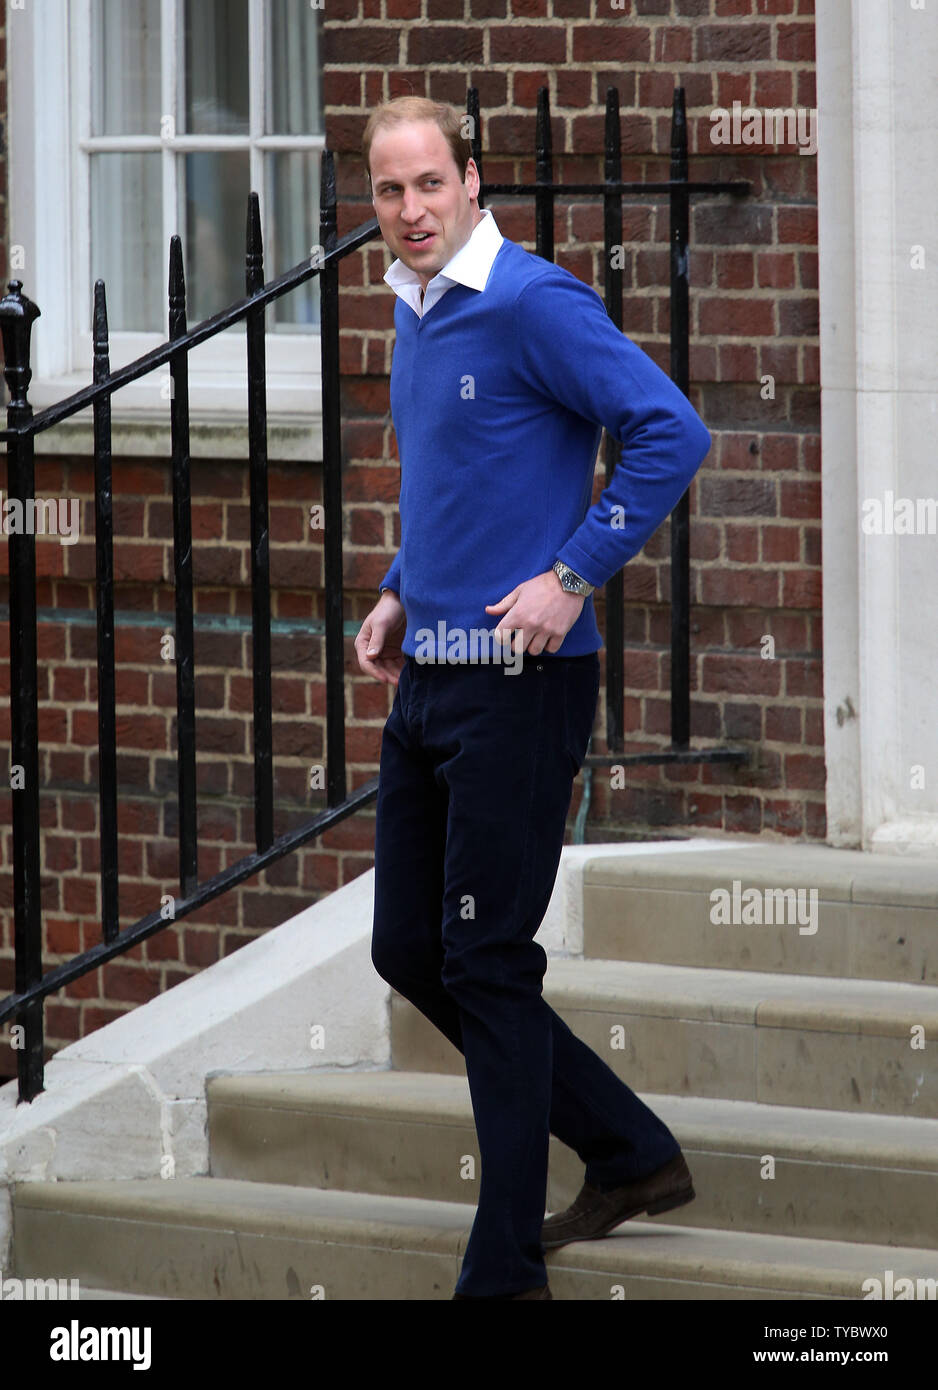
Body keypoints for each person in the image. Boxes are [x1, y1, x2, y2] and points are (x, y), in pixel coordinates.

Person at [354, 96, 706, 1301]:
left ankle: (501, 1275)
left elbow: (668, 431)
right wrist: (400, 587)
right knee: (411, 946)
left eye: (427, 186)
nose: (408, 211)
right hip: (431, 676)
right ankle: (629, 1150)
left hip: (523, 682)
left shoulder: (533, 301)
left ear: (470, 180)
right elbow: (462, 471)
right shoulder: (416, 309)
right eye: (388, 191)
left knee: (486, 961)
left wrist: (570, 576)